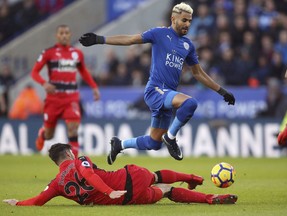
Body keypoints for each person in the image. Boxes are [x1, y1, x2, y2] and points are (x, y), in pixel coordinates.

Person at [79, 2, 235, 164]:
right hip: (155, 90)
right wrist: (100, 39)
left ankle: (120, 144)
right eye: (184, 20)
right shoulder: (159, 33)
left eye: (190, 21)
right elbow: (131, 39)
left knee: (154, 143)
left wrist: (222, 91)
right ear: (173, 19)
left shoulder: (188, 45)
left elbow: (198, 73)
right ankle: (171, 138)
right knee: (190, 104)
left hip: (167, 95)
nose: (187, 24)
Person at [3, 143, 238, 206]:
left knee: (165, 192)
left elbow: (38, 201)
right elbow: (88, 175)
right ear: (68, 153)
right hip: (126, 180)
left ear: (56, 162)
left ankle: (209, 198)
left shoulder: (56, 184)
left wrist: (18, 203)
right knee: (156, 176)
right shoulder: (80, 160)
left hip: (128, 199)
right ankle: (191, 178)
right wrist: (109, 190)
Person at [31, 24, 100, 157]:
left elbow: (83, 71)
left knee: (73, 129)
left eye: (66, 33)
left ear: (70, 35)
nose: (64, 35)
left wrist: (94, 87)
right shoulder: (48, 53)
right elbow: (34, 72)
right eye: (61, 33)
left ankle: (74, 165)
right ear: (57, 35)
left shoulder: (77, 54)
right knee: (49, 135)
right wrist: (44, 83)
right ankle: (42, 134)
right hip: (54, 99)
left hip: (71, 98)